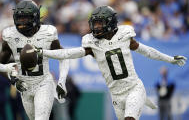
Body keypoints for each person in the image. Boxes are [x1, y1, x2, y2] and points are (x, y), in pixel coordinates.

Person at [35, 6, 187, 120]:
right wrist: (43, 52)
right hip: (115, 95)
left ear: (110, 22)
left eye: (100, 23)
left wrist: (170, 59)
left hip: (134, 88)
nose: (96, 27)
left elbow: (147, 51)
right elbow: (68, 53)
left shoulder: (124, 35)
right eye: (95, 23)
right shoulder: (92, 43)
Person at [0, 0, 69, 120]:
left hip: (43, 83)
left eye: (25, 18)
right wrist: (13, 78)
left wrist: (62, 81)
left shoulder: (47, 32)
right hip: (24, 86)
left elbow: (64, 57)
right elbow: (3, 64)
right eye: (19, 18)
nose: (22, 22)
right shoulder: (10, 35)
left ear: (35, 17)